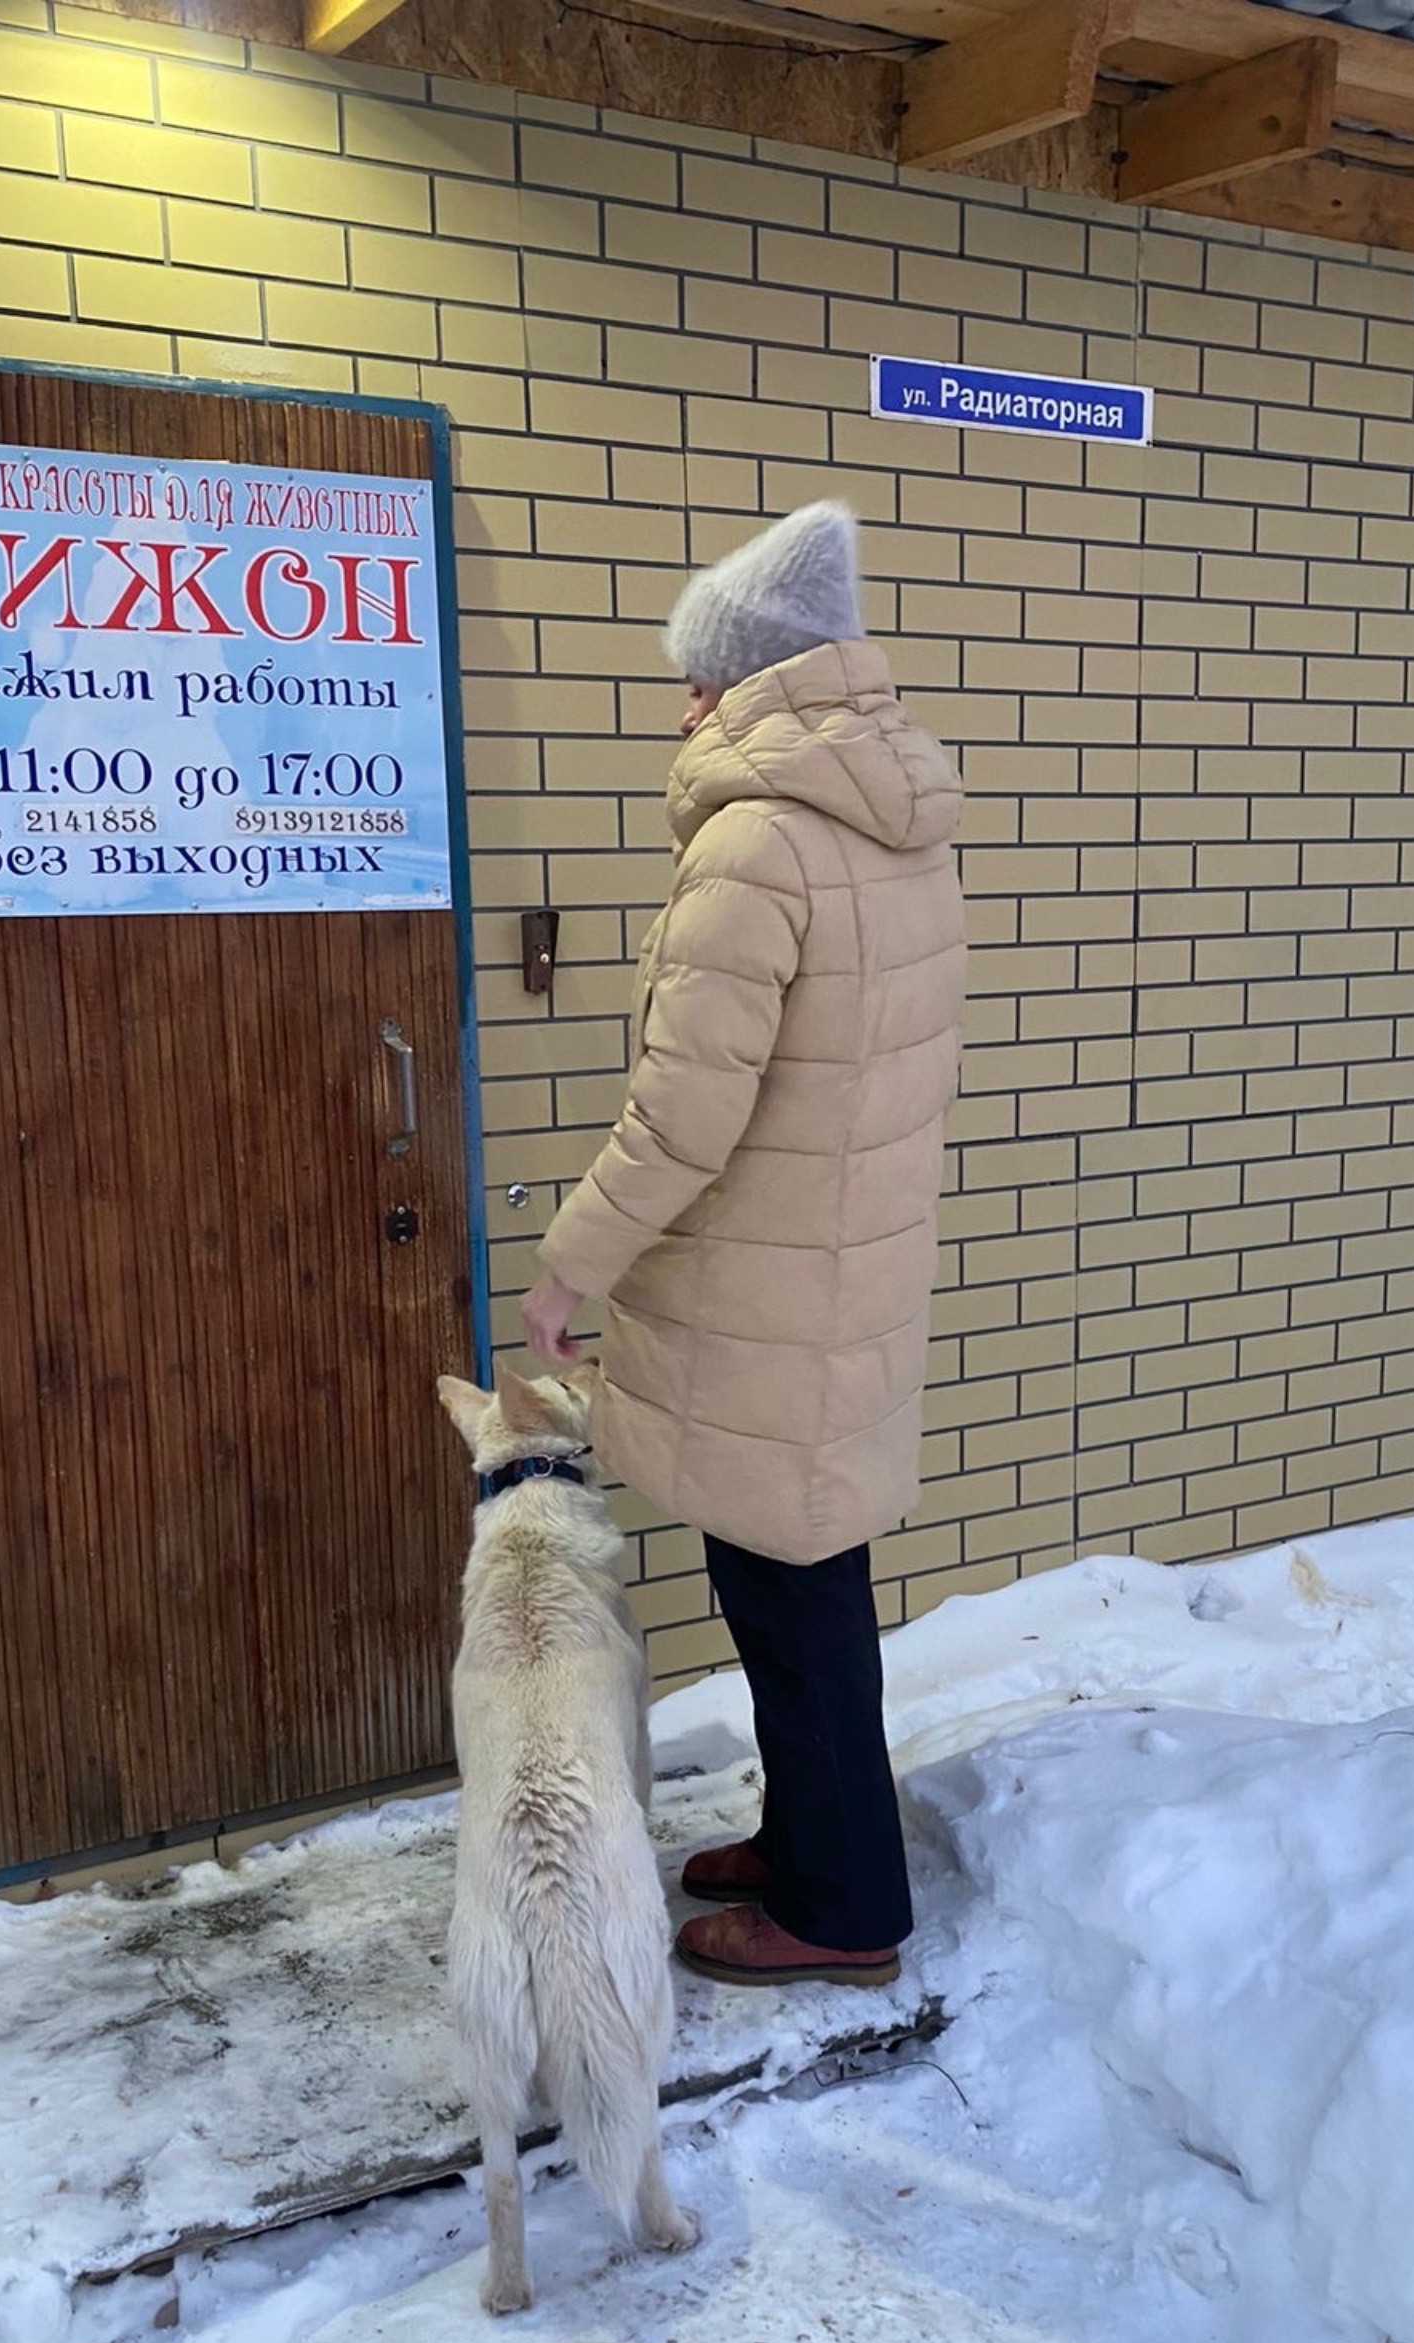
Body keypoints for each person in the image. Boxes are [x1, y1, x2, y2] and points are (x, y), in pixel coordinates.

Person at [520, 499, 966, 1992]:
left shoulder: (760, 840)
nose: (683, 704)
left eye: (696, 676)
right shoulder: (884, 817)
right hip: (827, 1278)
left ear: (754, 679)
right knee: (793, 1581)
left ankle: (843, 1913)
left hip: (771, 1290)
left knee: (795, 1598)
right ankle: (810, 1846)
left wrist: (570, 1263)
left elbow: (683, 1117)